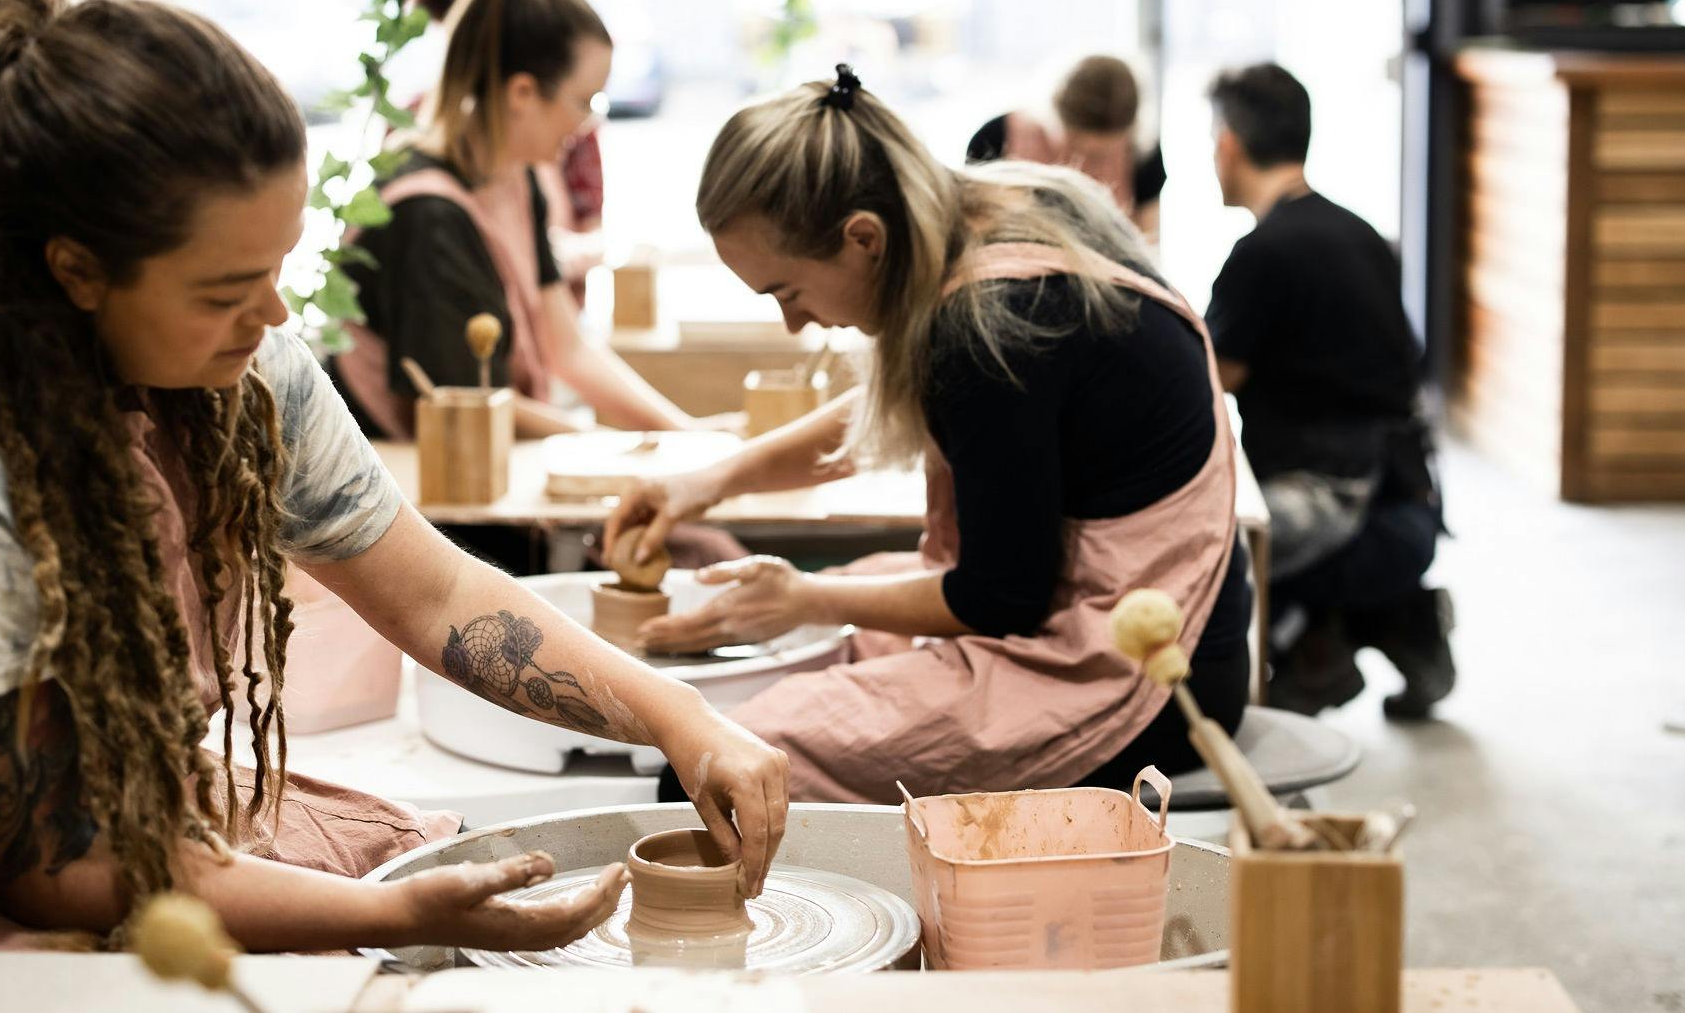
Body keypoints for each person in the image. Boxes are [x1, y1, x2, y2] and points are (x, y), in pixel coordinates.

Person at [0, 0, 787, 952]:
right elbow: (50, 863)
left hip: (131, 804)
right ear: (77, 272)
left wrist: (674, 713)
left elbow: (432, 592)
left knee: (421, 857)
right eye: (225, 290)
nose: (271, 317)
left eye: (279, 267)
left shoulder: (246, 372)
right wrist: (395, 917)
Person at [603, 65, 1251, 804]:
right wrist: (706, 484)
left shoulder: (990, 325)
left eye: (788, 292)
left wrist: (804, 597)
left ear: (863, 239)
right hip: (1107, 605)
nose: (794, 322)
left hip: (1146, 672)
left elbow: (998, 599)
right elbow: (913, 404)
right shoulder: (1000, 203)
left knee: (716, 768)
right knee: (784, 643)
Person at [330, 0, 712, 443]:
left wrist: (690, 436)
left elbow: (567, 348)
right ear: (523, 93)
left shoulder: (516, 177)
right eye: (585, 100)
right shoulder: (426, 214)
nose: (588, 124)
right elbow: (466, 408)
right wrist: (622, 446)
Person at [1201, 62, 1452, 720]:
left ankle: (1320, 647)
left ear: (1228, 143)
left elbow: (1203, 382)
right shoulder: (1361, 234)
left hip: (1333, 506)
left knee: (1197, 551)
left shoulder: (1263, 256)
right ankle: (1395, 619)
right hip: (1409, 498)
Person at [965, 54, 1166, 238]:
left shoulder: (1143, 153)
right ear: (1050, 116)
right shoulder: (995, 139)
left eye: (1100, 155)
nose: (1083, 163)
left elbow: (1145, 241)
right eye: (1075, 147)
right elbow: (972, 229)